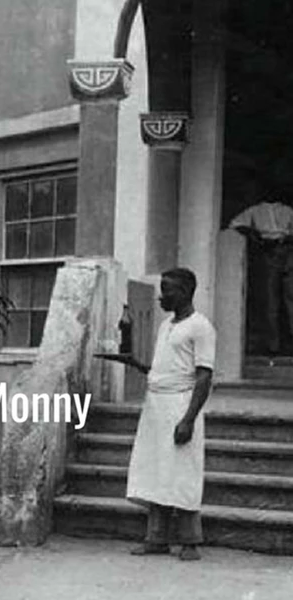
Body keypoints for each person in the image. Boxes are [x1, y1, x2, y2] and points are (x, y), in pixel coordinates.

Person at [124, 268, 216, 561]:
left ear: (186, 292)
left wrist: (188, 419)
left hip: (181, 405)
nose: (162, 296)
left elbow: (203, 377)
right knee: (156, 470)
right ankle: (156, 539)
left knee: (182, 472)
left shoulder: (201, 327)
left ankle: (190, 542)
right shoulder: (166, 326)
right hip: (156, 406)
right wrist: (137, 364)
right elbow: (166, 368)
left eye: (168, 290)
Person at [230, 199, 293, 355]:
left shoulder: (288, 210)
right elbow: (235, 224)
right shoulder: (255, 210)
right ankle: (273, 345)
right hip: (268, 251)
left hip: (287, 251)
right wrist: (253, 234)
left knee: (290, 297)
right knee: (270, 299)